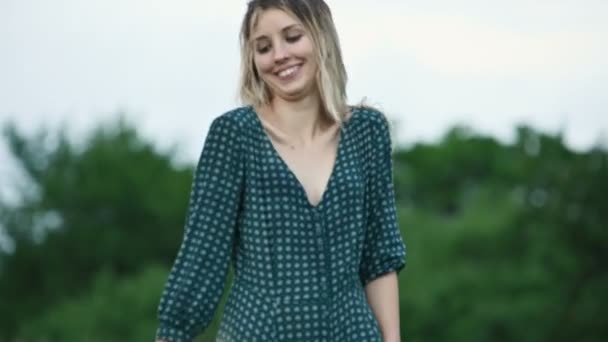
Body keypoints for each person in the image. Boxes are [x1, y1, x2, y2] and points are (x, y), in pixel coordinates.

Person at [155, 0, 407, 341]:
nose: (279, 55)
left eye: (292, 37)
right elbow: (201, 261)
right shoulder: (235, 135)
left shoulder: (367, 131)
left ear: (321, 37)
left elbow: (380, 257)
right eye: (263, 47)